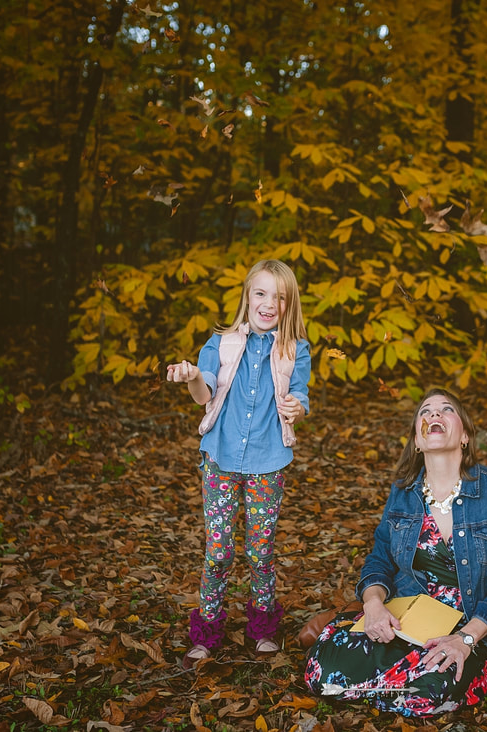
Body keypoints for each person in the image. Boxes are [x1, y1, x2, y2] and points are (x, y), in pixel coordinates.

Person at [303, 389, 487, 718]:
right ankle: (393, 678)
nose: (434, 415)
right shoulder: (403, 493)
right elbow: (380, 560)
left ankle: (399, 681)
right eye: (426, 412)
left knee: (429, 694)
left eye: (447, 410)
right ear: (417, 442)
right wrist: (374, 606)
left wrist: (465, 639)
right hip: (405, 620)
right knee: (319, 672)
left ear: (463, 435)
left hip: (470, 628)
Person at [166, 259, 311, 667]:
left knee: (260, 549)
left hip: (269, 462)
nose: (269, 304)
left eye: (279, 297)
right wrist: (193, 375)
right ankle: (208, 628)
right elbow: (203, 392)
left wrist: (297, 406)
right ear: (247, 296)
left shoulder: (295, 348)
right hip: (221, 460)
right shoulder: (221, 343)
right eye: (261, 293)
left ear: (289, 305)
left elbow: (301, 394)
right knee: (219, 549)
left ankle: (262, 628)